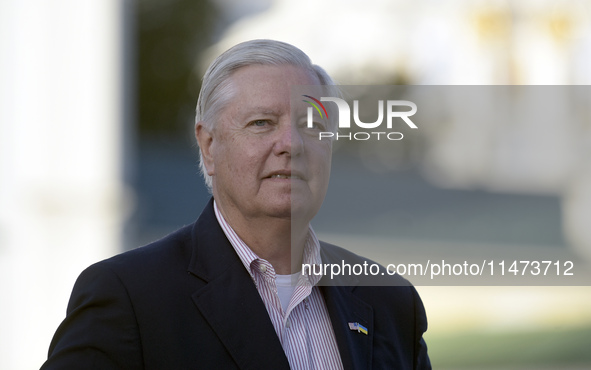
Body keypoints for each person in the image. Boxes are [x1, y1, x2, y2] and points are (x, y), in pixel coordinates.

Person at [41, 39, 431, 369]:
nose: (291, 144)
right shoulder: (129, 298)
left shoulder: (390, 301)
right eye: (262, 123)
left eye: (312, 125)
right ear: (209, 146)